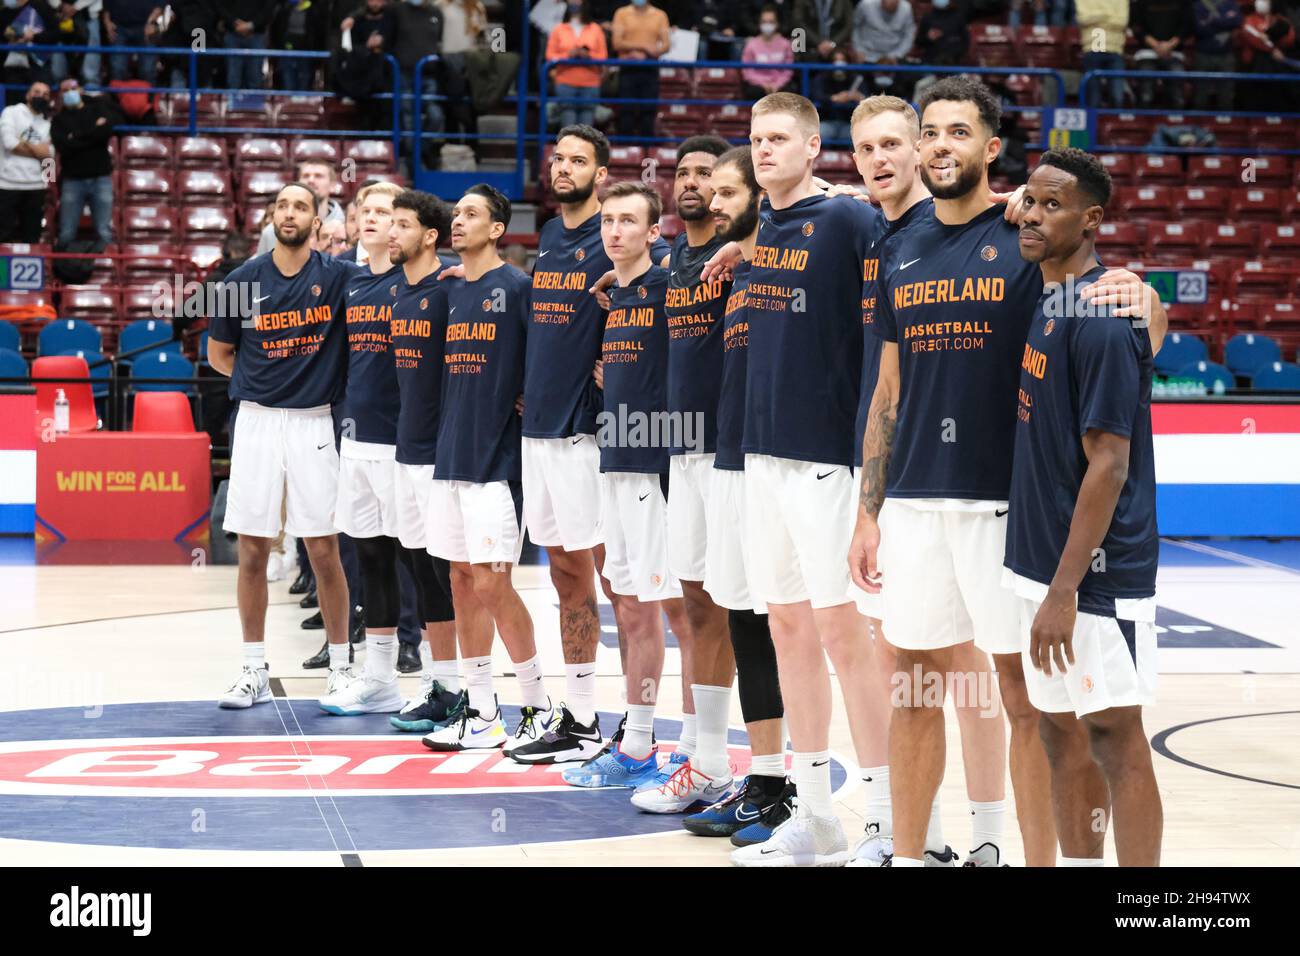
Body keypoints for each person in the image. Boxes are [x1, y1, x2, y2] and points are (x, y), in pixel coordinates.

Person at [850, 76, 1167, 867]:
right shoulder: (901, 245)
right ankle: (913, 853)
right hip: (917, 503)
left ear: (992, 150)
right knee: (915, 688)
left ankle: (1030, 859)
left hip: (1006, 508)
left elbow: (1127, 320)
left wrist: (1148, 297)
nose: (940, 146)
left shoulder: (1027, 234)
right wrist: (868, 508)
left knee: (1028, 701)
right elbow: (888, 390)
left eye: (960, 133)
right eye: (931, 133)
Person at [699, 92, 890, 867]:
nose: (765, 149)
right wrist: (747, 246)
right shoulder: (765, 227)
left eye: (780, 138)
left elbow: (910, 235)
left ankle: (885, 819)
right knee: (786, 631)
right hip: (762, 460)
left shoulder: (849, 219)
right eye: (756, 139)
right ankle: (815, 816)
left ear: (815, 147)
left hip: (828, 461)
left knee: (845, 637)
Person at [1007, 147, 1163, 866]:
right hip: (1042, 563)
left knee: (1113, 735)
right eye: (1029, 200)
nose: (1033, 214)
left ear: (1092, 219)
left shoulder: (1100, 314)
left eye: (1052, 204)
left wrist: (1065, 590)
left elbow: (1110, 461)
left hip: (1094, 579)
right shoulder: (1049, 294)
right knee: (1057, 727)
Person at [506, 125, 670, 766]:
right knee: (567, 577)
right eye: (559, 157)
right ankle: (578, 716)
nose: (564, 167)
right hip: (540, 431)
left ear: (603, 172)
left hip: (590, 435)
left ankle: (638, 728)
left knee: (621, 585)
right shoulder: (549, 237)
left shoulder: (621, 250)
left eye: (579, 159)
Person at [562, 181, 721, 800]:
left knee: (678, 607)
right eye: (608, 220)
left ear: (657, 232)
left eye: (630, 221)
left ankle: (686, 746)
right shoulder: (617, 292)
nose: (615, 231)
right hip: (615, 455)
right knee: (628, 603)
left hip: (657, 463)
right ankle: (638, 739)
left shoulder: (665, 285)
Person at [207, 181, 357, 708]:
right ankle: (252, 669)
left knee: (322, 547)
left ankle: (341, 666)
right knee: (251, 548)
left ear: (317, 222)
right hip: (257, 421)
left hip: (316, 423)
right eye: (281, 206)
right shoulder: (240, 280)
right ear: (271, 218)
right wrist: (263, 381)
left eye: (301, 206)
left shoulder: (340, 278)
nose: (289, 213)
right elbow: (219, 354)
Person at [315, 181, 461, 721]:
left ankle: (442, 682)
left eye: (395, 217)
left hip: (410, 450)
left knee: (423, 565)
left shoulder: (432, 283)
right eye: (373, 214)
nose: (384, 225)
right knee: (370, 559)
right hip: (357, 443)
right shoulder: (352, 284)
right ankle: (378, 679)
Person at [682, 145, 794, 845]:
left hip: (782, 464)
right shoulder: (733, 270)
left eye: (728, 192)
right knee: (744, 620)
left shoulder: (792, 261)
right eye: (712, 191)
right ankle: (764, 777)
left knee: (783, 624)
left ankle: (790, 788)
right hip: (728, 459)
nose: (714, 203)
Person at [625, 136, 740, 813]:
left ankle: (768, 770)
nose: (694, 184)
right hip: (680, 452)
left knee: (741, 611)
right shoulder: (671, 263)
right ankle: (705, 757)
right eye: (686, 174)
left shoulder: (748, 257)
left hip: (732, 452)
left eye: (710, 175)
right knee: (695, 604)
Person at [422, 183, 556, 753]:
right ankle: (481, 710)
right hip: (450, 453)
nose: (458, 222)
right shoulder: (450, 291)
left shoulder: (519, 288)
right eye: (455, 214)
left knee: (492, 582)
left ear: (498, 228)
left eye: (471, 214)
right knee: (458, 580)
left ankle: (538, 705)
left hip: (498, 461)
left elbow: (548, 360)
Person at [380, 189, 473, 740]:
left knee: (449, 574)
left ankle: (471, 691)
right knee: (419, 570)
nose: (391, 233)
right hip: (404, 450)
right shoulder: (400, 294)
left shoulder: (449, 292)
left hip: (443, 455)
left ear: (430, 236)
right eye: (389, 224)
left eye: (402, 225)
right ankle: (443, 687)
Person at [51, 77, 118, 247]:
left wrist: (76, 136)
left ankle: (105, 270)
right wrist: (92, 133)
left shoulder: (98, 108)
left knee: (104, 232)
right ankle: (65, 270)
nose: (69, 93)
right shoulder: (58, 121)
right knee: (66, 233)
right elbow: (64, 146)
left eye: (72, 88)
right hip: (72, 180)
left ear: (80, 89)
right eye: (64, 91)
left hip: (101, 178)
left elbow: (104, 133)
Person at [0, 81, 52, 243]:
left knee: (32, 237)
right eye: (37, 92)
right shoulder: (11, 112)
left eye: (45, 94)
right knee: (3, 235)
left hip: (36, 187)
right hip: (7, 185)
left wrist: (49, 183)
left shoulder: (48, 122)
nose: (40, 96)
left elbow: (49, 156)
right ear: (28, 94)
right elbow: (9, 143)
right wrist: (39, 149)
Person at [257, 159, 345, 254]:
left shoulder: (347, 227)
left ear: (332, 185)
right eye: (306, 176)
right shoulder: (272, 231)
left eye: (318, 176)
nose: (311, 180)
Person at [611, 0, 669, 142]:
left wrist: (649, 53)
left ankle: (647, 152)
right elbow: (616, 43)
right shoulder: (621, 13)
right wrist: (644, 48)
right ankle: (625, 152)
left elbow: (666, 45)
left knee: (648, 110)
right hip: (628, 67)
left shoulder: (660, 15)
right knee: (626, 111)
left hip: (650, 68)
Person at [546, 1, 607, 129]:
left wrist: (589, 56)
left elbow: (603, 56)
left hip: (590, 82)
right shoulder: (558, 29)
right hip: (565, 81)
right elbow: (550, 55)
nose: (574, 3)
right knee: (568, 125)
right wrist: (568, 54)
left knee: (586, 128)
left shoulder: (595, 29)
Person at [436, 0, 486, 153]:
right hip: (447, 61)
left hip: (471, 62)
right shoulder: (441, 6)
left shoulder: (477, 6)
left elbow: (484, 36)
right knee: (451, 109)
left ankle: (473, 149)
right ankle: (452, 148)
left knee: (471, 110)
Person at [1131, 0, 1192, 109]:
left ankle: (1176, 119)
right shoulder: (1140, 3)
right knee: (1146, 89)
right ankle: (1144, 119)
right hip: (1146, 53)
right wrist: (1156, 45)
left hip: (1174, 53)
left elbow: (1187, 26)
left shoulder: (1183, 3)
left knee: (1177, 82)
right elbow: (1136, 26)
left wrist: (1169, 45)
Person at [851, 0, 916, 98]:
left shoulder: (906, 8)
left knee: (907, 81)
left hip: (894, 57)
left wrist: (898, 55)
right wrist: (859, 50)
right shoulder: (866, 4)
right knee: (862, 87)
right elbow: (855, 27)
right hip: (869, 56)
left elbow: (909, 34)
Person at [1241, 1, 1297, 113]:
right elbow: (1252, 38)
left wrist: (1277, 44)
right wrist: (1272, 49)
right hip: (1256, 63)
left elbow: (1290, 37)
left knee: (1280, 91)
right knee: (1257, 93)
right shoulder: (1249, 20)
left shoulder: (1279, 20)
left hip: (1278, 63)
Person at [1076, 0, 1129, 108]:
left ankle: (1115, 122)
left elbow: (1122, 21)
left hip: (1115, 49)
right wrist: (1109, 16)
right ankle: (1092, 124)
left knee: (1117, 97)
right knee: (1093, 99)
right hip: (1092, 47)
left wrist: (1097, 18)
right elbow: (1083, 19)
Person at [1190, 0, 1242, 111]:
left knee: (1226, 94)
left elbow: (1237, 21)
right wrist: (1225, 22)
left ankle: (1226, 124)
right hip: (1202, 53)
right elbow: (1198, 29)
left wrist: (1212, 20)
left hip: (1226, 54)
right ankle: (1199, 123)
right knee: (1200, 93)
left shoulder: (1230, 3)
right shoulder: (1198, 5)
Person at [270, 0, 330, 92]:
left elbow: (319, 33)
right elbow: (276, 30)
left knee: (305, 74)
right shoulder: (284, 9)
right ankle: (288, 96)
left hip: (307, 49)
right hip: (287, 48)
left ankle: (303, 96)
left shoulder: (314, 10)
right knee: (287, 73)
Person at [741, 5, 796, 100]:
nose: (767, 25)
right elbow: (747, 72)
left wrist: (777, 85)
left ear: (777, 24)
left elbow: (788, 70)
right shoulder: (751, 44)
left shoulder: (785, 44)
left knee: (790, 91)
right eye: (764, 22)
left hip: (779, 85)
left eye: (771, 22)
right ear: (759, 24)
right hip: (758, 86)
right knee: (752, 92)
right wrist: (763, 85)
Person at [812, 50, 863, 143]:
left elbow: (868, 99)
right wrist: (834, 98)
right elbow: (816, 95)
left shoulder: (855, 78)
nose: (839, 63)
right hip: (827, 122)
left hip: (849, 123)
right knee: (818, 134)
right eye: (835, 60)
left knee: (860, 135)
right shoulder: (822, 77)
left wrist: (857, 97)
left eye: (843, 60)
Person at [219, 1, 270, 94]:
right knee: (233, 79)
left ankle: (253, 107)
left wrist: (251, 25)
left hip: (257, 35)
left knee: (255, 78)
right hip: (232, 34)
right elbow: (220, 6)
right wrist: (233, 22)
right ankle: (232, 107)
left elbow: (269, 7)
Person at [102, 0, 157, 83]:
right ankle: (117, 94)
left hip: (146, 27)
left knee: (147, 69)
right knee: (117, 67)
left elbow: (161, 4)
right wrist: (107, 22)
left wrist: (151, 21)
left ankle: (150, 94)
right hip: (118, 27)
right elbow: (106, 5)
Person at [915, 0, 969, 68]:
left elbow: (965, 42)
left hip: (952, 63)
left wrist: (954, 54)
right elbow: (918, 42)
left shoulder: (958, 17)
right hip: (930, 63)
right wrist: (928, 38)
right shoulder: (927, 17)